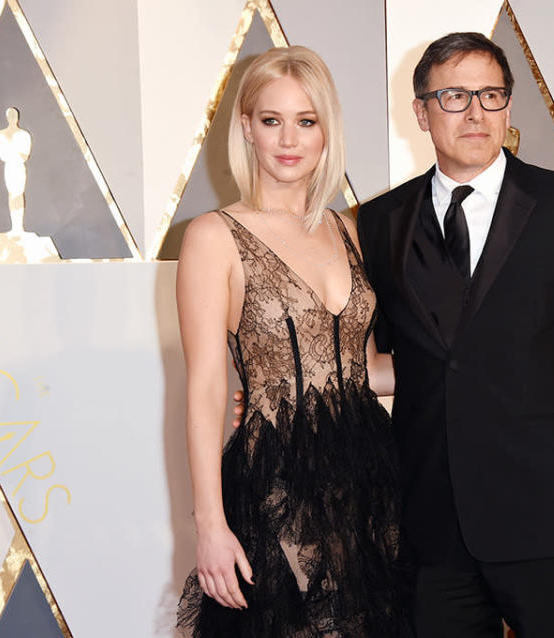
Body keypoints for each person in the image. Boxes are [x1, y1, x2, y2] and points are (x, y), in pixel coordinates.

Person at [355, 32, 554, 637]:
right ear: (421, 112)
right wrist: (274, 393)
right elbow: (377, 354)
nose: (475, 113)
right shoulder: (380, 221)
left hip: (550, 518)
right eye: (455, 96)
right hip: (431, 522)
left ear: (508, 107)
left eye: (491, 95)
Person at [175, 46, 405, 637]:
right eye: (271, 120)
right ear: (247, 128)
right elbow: (204, 387)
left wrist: (461, 367)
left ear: (326, 131)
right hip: (279, 481)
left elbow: (360, 368)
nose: (288, 139)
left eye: (306, 121)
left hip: (373, 477)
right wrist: (209, 523)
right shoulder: (213, 236)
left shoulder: (351, 231)